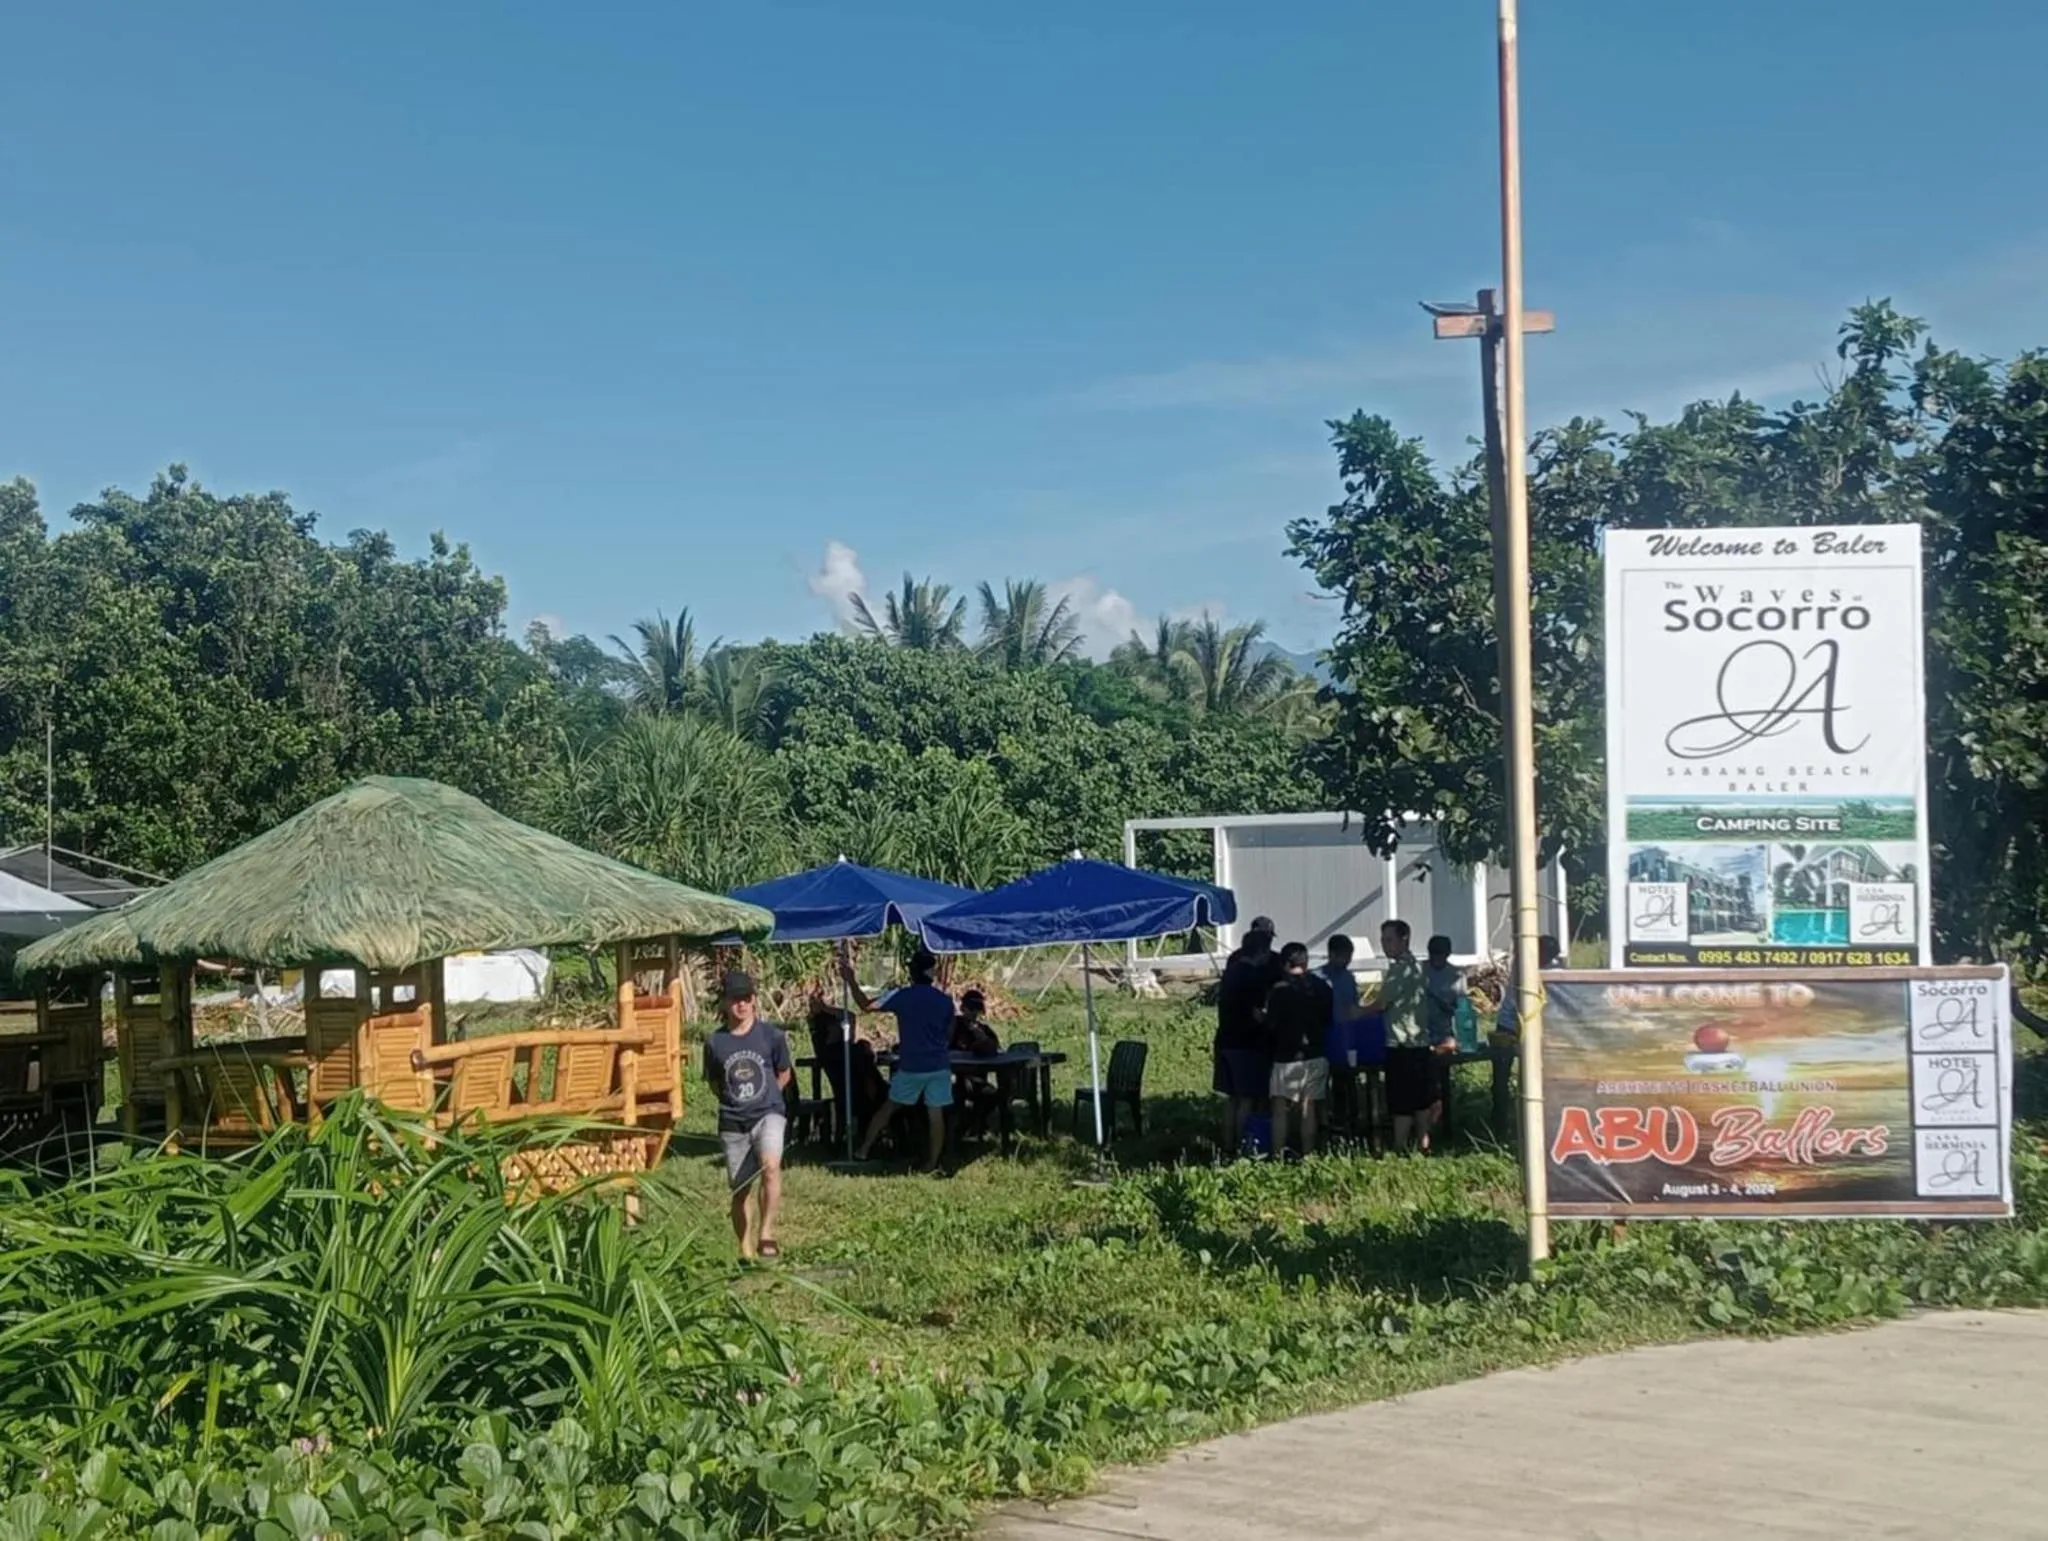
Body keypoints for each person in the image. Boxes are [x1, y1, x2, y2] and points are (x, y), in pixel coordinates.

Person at [703, 970, 793, 1262]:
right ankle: (744, 1247)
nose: (741, 1005)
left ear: (754, 1000)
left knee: (770, 1166)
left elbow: (784, 1073)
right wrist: (735, 1102)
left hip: (769, 1113)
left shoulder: (772, 1036)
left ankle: (766, 1234)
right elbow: (716, 1082)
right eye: (734, 999)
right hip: (733, 1120)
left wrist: (769, 1098)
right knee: (741, 1189)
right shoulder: (715, 1042)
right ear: (724, 1003)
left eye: (746, 999)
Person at [840, 943, 956, 1172]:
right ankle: (932, 1162)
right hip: (938, 1065)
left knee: (889, 1107)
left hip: (912, 1066)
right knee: (936, 1113)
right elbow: (949, 1032)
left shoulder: (902, 996)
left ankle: (863, 1149)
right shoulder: (945, 1001)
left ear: (912, 973)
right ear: (931, 974)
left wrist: (851, 980)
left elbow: (866, 1005)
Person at [1213, 917, 1280, 1153]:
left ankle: (1226, 1144)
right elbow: (1257, 1015)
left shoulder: (1232, 971)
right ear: (1261, 952)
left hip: (1225, 1040)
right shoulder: (1252, 978)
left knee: (1231, 1099)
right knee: (1246, 1099)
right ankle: (1243, 1146)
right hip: (1246, 1043)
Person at [1378, 919, 1443, 1152]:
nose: (1385, 945)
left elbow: (1381, 1003)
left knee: (1401, 1101)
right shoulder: (1417, 966)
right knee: (1420, 1099)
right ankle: (1423, 1143)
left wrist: (1355, 1011)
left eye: (1389, 939)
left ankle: (1399, 1147)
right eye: (1383, 939)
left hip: (1401, 1044)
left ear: (1403, 939)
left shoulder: (1398, 969)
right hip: (1420, 1043)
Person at [1264, 941, 1333, 1158]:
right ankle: (1309, 1154)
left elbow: (1271, 1025)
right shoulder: (1322, 987)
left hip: (1286, 1056)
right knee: (1308, 1107)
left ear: (1284, 964)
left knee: (1279, 1109)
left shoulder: (1278, 990)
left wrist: (1262, 1018)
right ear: (1306, 962)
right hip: (1316, 1052)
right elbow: (1328, 1019)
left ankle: (1277, 1155)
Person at [807, 994, 886, 1133]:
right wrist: (825, 1008)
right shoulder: (847, 1051)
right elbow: (850, 1016)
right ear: (831, 1030)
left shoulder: (825, 1050)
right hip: (861, 1097)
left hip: (848, 1096)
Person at [1317, 934, 1365, 1135]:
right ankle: (1323, 1123)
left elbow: (1354, 1006)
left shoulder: (1349, 978)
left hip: (1346, 1037)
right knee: (1321, 1083)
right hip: (1323, 1036)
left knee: (1345, 1081)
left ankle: (1348, 1121)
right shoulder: (1317, 978)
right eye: (1343, 956)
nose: (1346, 961)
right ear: (1331, 954)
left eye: (1349, 956)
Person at [949, 989, 1003, 1137]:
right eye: (970, 1008)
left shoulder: (983, 1029)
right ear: (962, 1008)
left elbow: (995, 1050)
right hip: (954, 1078)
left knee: (994, 1096)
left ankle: (973, 1125)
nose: (973, 1013)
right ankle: (962, 1129)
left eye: (977, 1009)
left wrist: (982, 1039)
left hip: (977, 1080)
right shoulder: (954, 1026)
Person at [1496, 934, 1565, 1034]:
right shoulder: (1523, 965)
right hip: (1511, 1025)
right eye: (1548, 957)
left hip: (1530, 1024)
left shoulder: (1546, 967)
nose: (1549, 961)